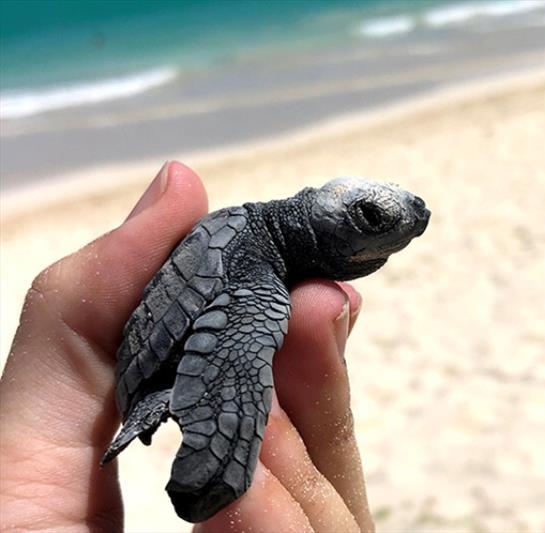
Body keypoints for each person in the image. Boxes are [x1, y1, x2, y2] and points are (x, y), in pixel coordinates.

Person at [0, 162, 374, 533]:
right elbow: (236, 342)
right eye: (373, 219)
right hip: (156, 364)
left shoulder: (265, 250)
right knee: (257, 326)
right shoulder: (257, 271)